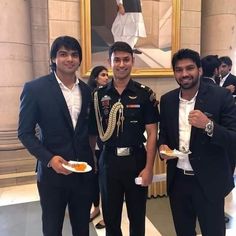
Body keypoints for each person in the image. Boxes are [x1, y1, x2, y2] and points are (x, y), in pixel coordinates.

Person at [18, 36, 96, 236]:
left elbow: (88, 131)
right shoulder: (35, 89)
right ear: (53, 58)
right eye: (63, 54)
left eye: (74, 54)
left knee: (82, 228)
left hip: (82, 173)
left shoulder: (87, 91)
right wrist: (49, 159)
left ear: (79, 60)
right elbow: (25, 133)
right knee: (52, 228)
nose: (69, 59)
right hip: (52, 175)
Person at [158, 48, 236, 236]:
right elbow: (165, 135)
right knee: (183, 232)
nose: (184, 74)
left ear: (200, 70)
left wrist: (208, 125)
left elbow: (233, 137)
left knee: (213, 231)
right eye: (179, 69)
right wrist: (163, 146)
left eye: (190, 68)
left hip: (209, 181)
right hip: (178, 181)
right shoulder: (167, 100)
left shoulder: (220, 96)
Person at [93, 41, 159, 236]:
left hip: (136, 161)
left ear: (132, 61)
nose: (121, 64)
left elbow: (152, 132)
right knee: (111, 219)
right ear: (109, 62)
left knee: (137, 218)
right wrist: (94, 161)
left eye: (126, 59)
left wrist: (149, 168)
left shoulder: (144, 94)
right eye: (117, 60)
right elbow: (92, 132)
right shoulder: (98, 96)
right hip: (109, 162)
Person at [87, 66, 109, 229]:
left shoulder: (107, 96)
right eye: (102, 75)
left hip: (104, 144)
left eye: (107, 75)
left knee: (105, 184)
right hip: (91, 143)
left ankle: (107, 216)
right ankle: (96, 208)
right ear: (95, 78)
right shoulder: (90, 95)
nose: (106, 78)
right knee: (93, 182)